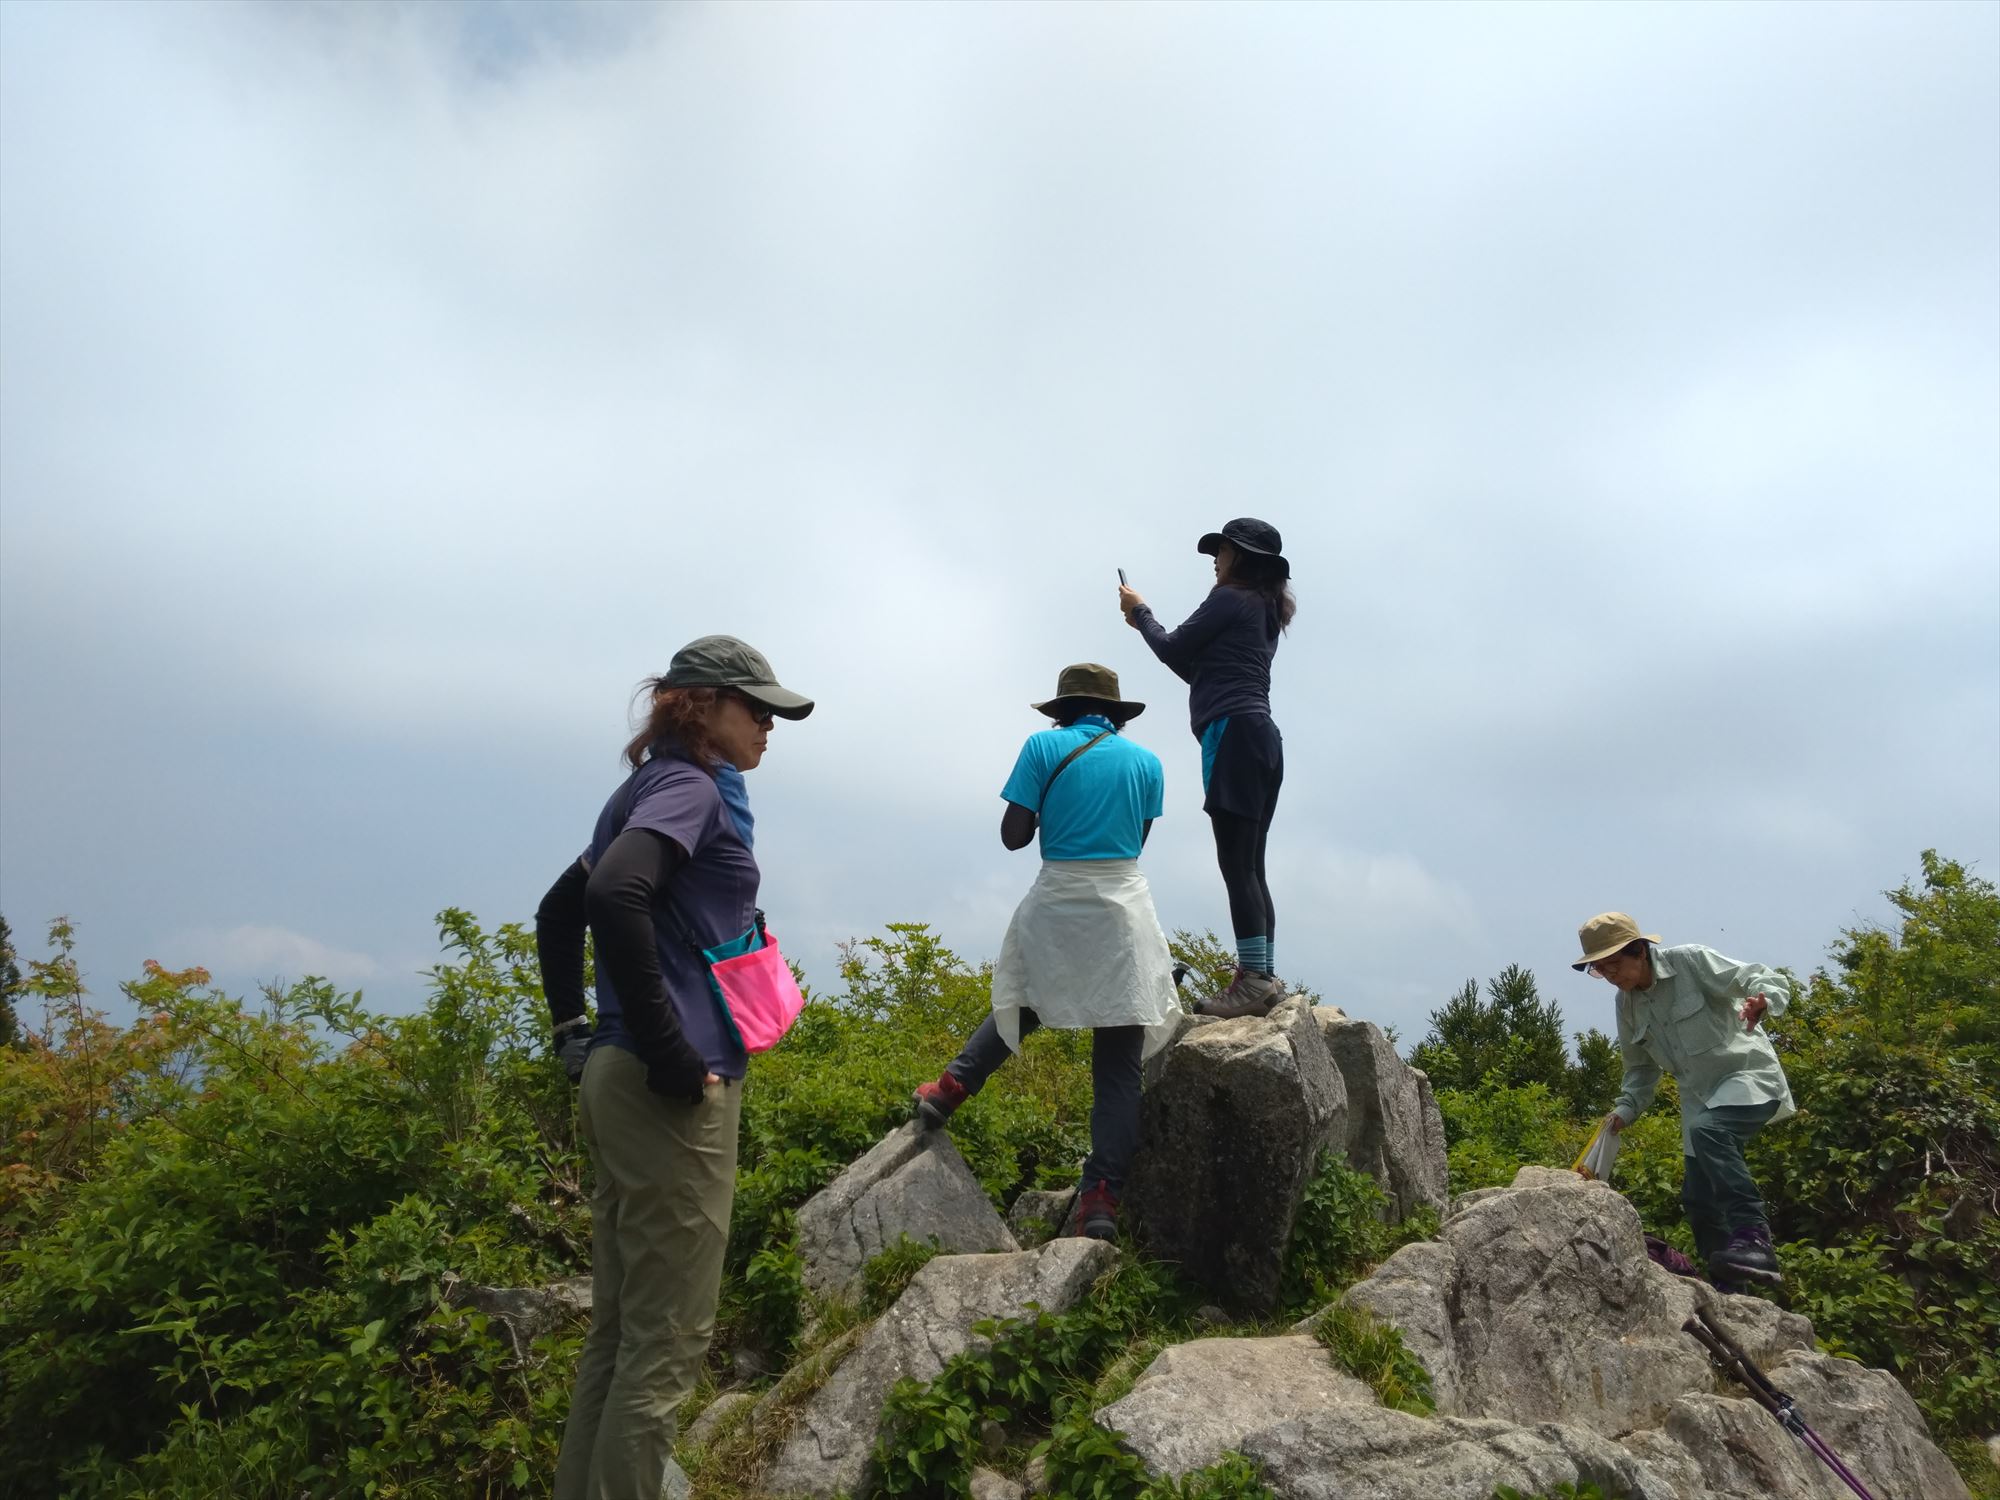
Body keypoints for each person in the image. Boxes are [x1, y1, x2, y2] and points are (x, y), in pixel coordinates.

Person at [535, 635, 813, 1500]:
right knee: (667, 1341)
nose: (769, 724)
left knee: (622, 1332)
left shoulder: (645, 788)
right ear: (701, 705)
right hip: (667, 1093)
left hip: (616, 1076)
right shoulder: (689, 788)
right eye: (755, 707)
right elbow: (612, 894)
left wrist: (575, 1030)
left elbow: (559, 911)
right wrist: (671, 1053)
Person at [911, 663, 1181, 1241]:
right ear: (1115, 714)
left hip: (1058, 900)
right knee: (1118, 1065)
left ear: (1061, 711)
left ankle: (949, 1091)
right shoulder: (1148, 764)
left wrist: (1047, 809)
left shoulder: (1041, 748)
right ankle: (1100, 1200)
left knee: (1024, 999)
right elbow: (1135, 843)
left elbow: (1013, 837)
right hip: (1122, 911)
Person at [1118, 517, 1294, 1019]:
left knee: (1236, 866)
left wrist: (1141, 613)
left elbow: (1174, 647)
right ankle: (1263, 976)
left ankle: (1253, 980)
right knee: (1252, 865)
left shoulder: (1230, 599)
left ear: (1243, 558)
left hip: (1232, 736)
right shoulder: (1262, 609)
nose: (1215, 560)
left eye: (1222, 551)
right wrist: (1144, 627)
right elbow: (1196, 670)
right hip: (1261, 738)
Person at [1574, 911, 1795, 1289]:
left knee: (1710, 1132)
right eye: (1600, 970)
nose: (1610, 976)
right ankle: (1730, 1289)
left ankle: (1756, 1239)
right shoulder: (1626, 1005)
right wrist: (1623, 1112)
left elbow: (1758, 977)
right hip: (1699, 1099)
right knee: (1697, 1199)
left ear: (1639, 950)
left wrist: (1764, 1001)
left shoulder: (1690, 962)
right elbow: (1640, 1070)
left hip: (1747, 1077)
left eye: (1614, 965)